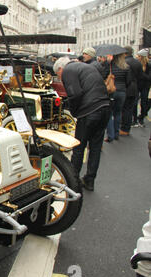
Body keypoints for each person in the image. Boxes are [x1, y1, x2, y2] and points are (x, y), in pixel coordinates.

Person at [53, 57, 110, 191]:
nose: (60, 79)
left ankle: (72, 181)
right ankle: (89, 180)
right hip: (105, 107)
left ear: (60, 69)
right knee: (95, 148)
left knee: (78, 147)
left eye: (58, 75)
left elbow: (75, 94)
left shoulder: (68, 71)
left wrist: (73, 111)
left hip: (90, 111)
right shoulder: (85, 67)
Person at [104, 53, 133, 143]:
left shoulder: (110, 65)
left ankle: (110, 135)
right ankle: (116, 134)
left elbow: (104, 76)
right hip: (122, 91)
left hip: (111, 91)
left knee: (109, 114)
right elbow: (129, 81)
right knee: (118, 113)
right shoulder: (126, 67)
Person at [121, 46, 142, 136]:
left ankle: (123, 127)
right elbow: (140, 76)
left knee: (124, 109)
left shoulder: (124, 63)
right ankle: (127, 127)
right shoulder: (137, 62)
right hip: (135, 88)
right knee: (129, 109)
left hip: (126, 87)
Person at [136, 49, 150, 127]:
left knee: (144, 102)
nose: (137, 57)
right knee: (135, 101)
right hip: (138, 85)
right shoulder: (138, 64)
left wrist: (141, 74)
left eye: (139, 56)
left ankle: (141, 118)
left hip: (145, 86)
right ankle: (136, 118)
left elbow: (149, 77)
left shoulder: (149, 65)